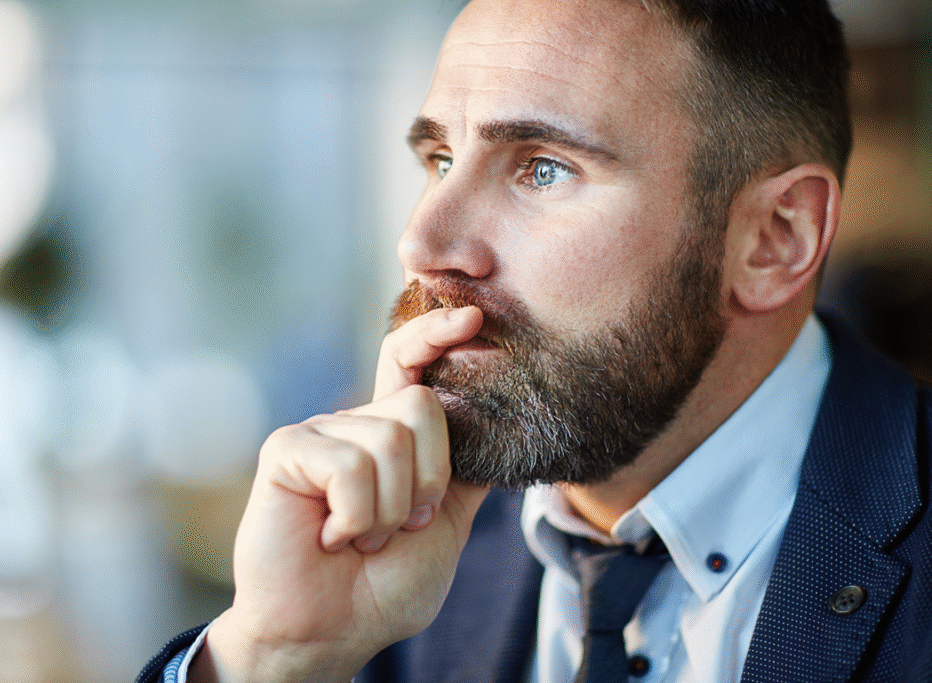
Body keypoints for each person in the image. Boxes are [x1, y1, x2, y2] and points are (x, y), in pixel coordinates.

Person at [139, 0, 932, 681]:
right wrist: (272, 656)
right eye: (440, 158)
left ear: (773, 238)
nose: (423, 241)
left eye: (542, 168)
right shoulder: (388, 553)